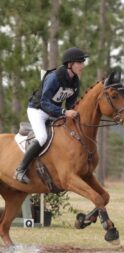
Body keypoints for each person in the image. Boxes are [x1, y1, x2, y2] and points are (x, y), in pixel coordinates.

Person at [14, 47, 88, 184]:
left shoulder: (75, 81)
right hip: (38, 110)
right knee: (42, 137)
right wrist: (64, 112)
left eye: (83, 62)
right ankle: (20, 169)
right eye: (80, 62)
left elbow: (70, 104)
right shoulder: (53, 78)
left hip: (53, 112)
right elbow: (44, 102)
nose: (82, 66)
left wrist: (72, 113)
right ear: (70, 64)